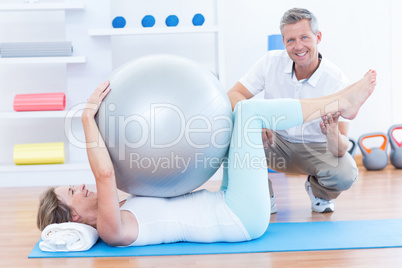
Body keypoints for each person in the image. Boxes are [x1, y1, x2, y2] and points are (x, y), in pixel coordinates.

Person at [36, 70, 376, 247]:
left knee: (234, 114)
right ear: (75, 216)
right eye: (73, 191)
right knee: (250, 112)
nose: (82, 186)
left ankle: (341, 100)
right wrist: (86, 118)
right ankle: (340, 104)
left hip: (229, 203)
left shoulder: (122, 209)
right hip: (240, 217)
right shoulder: (112, 230)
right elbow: (105, 175)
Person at [227, 8, 357, 213]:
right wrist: (254, 120)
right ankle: (261, 195)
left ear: (318, 37)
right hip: (274, 143)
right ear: (283, 42)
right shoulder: (270, 62)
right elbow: (233, 95)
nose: (298, 47)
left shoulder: (337, 81)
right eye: (291, 40)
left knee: (346, 172)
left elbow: (340, 149)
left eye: (304, 37)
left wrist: (332, 134)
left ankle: (319, 193)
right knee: (228, 133)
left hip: (316, 148)